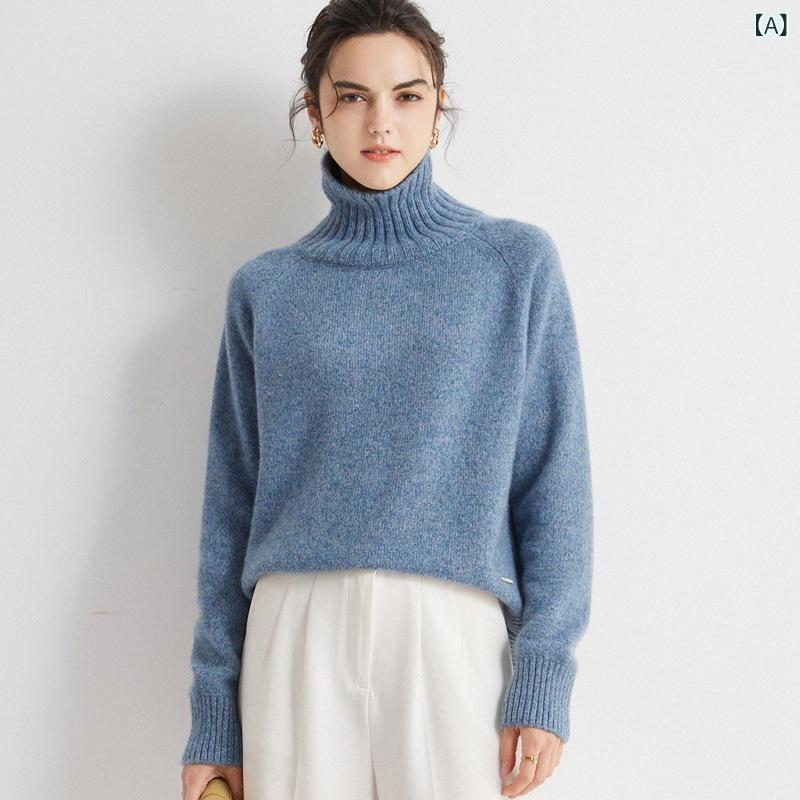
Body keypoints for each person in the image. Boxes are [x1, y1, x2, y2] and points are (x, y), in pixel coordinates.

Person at [180, 2, 593, 799]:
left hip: (453, 633)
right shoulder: (266, 289)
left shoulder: (513, 265)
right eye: (351, 96)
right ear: (314, 111)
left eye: (408, 95)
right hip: (295, 633)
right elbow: (229, 508)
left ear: (439, 108)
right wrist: (214, 715)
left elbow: (553, 481)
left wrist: (545, 670)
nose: (381, 122)